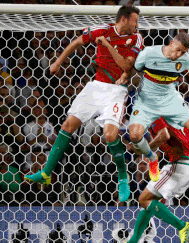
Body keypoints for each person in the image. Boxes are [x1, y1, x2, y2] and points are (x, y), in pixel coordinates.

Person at [24, 5, 144, 202]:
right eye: (135, 21)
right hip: (95, 86)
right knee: (68, 125)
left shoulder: (136, 38)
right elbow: (76, 42)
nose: (137, 25)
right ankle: (46, 172)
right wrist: (57, 63)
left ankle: (123, 176)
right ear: (123, 19)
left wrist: (106, 44)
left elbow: (126, 66)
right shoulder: (103, 30)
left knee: (110, 134)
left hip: (115, 90)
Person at [124, 32, 189, 182]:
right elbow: (134, 69)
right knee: (135, 136)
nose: (179, 54)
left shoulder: (184, 59)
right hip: (147, 100)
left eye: (184, 52)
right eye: (178, 49)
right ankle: (152, 157)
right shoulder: (149, 53)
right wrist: (124, 78)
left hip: (170, 98)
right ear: (172, 43)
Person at [127, 117, 189, 243]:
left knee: (144, 199)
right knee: (147, 203)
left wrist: (144, 150)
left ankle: (182, 226)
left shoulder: (157, 114)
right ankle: (134, 240)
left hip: (180, 164)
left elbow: (164, 135)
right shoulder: (180, 119)